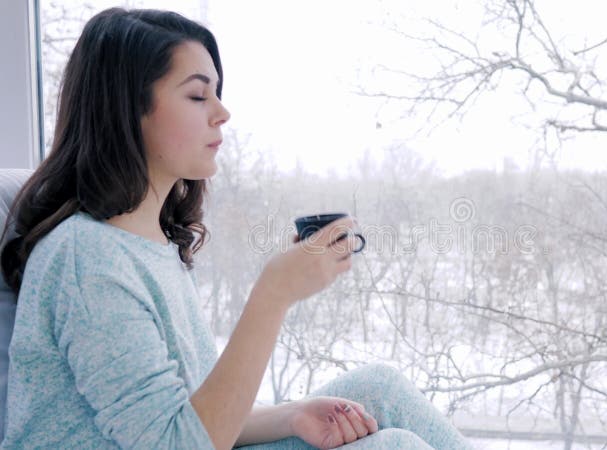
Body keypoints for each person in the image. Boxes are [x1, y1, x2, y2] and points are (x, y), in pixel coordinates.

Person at [0, 8, 472, 450]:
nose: (222, 113)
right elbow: (175, 443)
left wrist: (292, 416)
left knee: (378, 388)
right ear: (127, 110)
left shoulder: (150, 245)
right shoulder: (87, 259)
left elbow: (196, 416)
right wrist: (273, 294)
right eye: (197, 95)